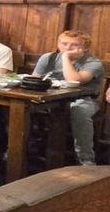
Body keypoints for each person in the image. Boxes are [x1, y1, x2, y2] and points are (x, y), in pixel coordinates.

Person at [31, 31, 105, 165]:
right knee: (23, 106)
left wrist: (65, 57)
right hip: (50, 98)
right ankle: (27, 150)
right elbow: (33, 79)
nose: (68, 48)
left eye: (74, 45)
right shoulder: (48, 58)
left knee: (78, 110)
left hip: (85, 99)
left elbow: (74, 79)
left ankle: (86, 160)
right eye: (64, 44)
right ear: (58, 44)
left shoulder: (93, 62)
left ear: (85, 48)